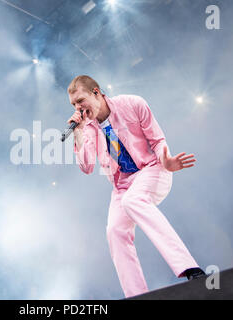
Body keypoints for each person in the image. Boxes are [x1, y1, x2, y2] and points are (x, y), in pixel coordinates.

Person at [67, 75, 205, 298]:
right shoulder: (89, 129)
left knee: (134, 201)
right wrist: (79, 132)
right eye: (73, 104)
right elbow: (86, 167)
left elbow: (158, 140)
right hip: (122, 185)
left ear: (96, 92)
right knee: (114, 231)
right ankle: (136, 294)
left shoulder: (132, 104)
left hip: (151, 169)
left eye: (80, 100)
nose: (78, 107)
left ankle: (190, 268)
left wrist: (166, 160)